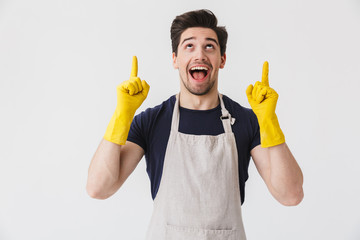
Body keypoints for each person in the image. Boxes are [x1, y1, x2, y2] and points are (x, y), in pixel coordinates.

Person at [86, 9, 304, 239]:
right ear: (175, 59)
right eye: (189, 46)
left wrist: (269, 121)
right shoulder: (151, 121)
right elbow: (98, 188)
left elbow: (290, 195)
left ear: (222, 60)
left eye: (209, 46)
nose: (199, 54)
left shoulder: (247, 121)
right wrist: (122, 115)